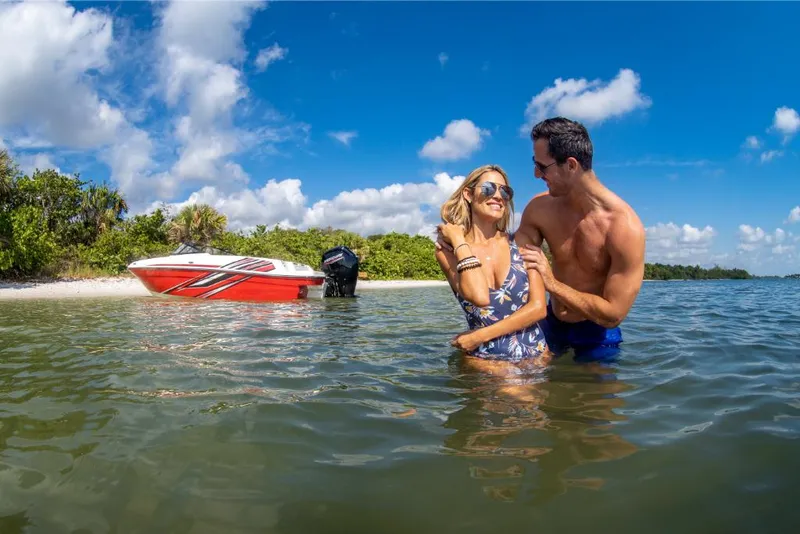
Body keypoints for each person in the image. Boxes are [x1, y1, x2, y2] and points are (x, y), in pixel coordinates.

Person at [517, 117, 646, 361]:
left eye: (542, 167)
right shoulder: (539, 208)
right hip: (552, 321)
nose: (536, 174)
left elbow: (613, 314)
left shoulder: (624, 227)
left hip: (596, 330)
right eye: (535, 164)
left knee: (593, 399)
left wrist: (551, 283)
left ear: (571, 165)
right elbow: (510, 258)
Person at [434, 164, 551, 375]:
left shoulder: (522, 241)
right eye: (489, 188)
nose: (498, 196)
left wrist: (478, 336)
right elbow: (479, 296)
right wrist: (460, 240)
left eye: (505, 191)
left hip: (536, 355)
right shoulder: (448, 251)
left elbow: (538, 308)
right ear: (468, 194)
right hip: (485, 363)